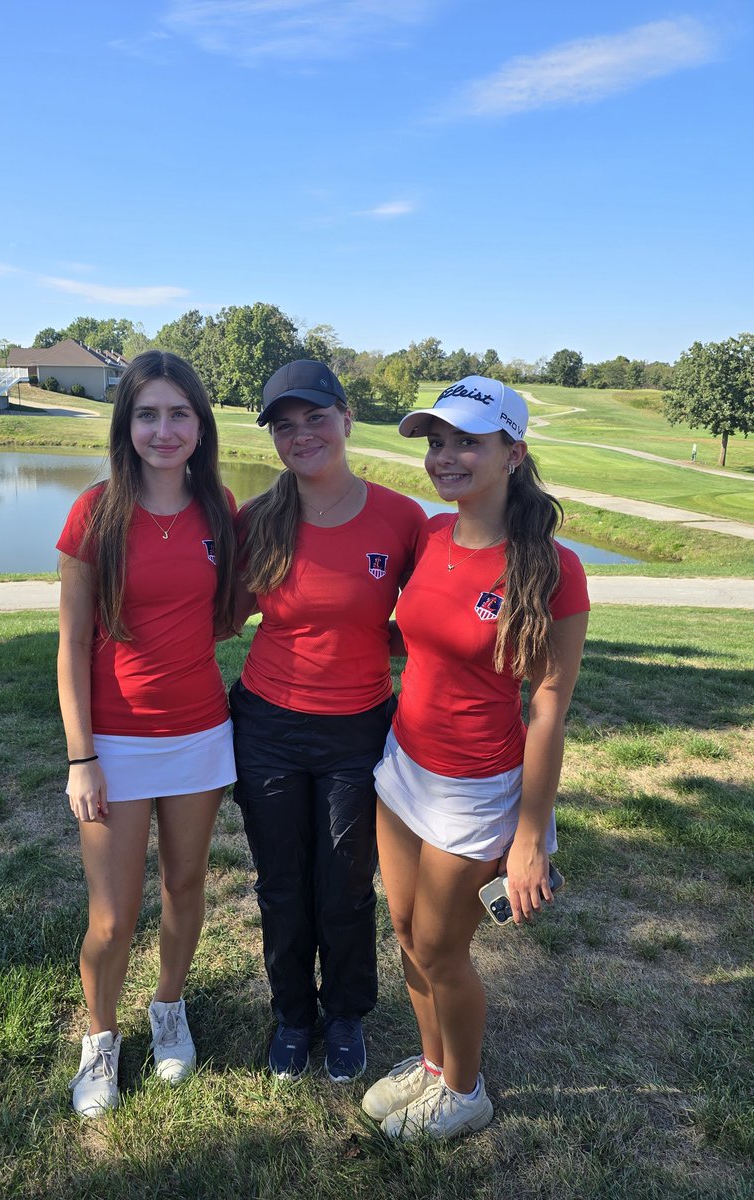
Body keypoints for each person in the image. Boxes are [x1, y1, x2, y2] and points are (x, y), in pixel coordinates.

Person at [362, 376, 589, 1141]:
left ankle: (465, 1093)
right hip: (403, 767)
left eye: (467, 442)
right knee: (403, 928)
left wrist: (529, 839)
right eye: (436, 442)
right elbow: (418, 634)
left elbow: (548, 709)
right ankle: (434, 1067)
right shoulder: (429, 535)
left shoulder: (553, 568)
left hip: (476, 786)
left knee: (440, 946)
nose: (445, 456)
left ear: (513, 454)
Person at [230, 360, 425, 1083]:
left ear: (346, 418)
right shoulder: (259, 519)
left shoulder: (401, 519)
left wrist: (387, 640)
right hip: (267, 727)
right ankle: (292, 1015)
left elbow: (431, 615)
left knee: (345, 881)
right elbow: (224, 615)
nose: (301, 434)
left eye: (315, 417)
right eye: (284, 425)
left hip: (357, 729)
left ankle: (344, 1014)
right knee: (281, 881)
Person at [56, 351, 237, 1117]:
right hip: (116, 744)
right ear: (126, 425)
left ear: (200, 424)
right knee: (112, 915)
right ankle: (100, 1038)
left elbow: (226, 614)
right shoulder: (94, 512)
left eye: (178, 414)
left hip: (200, 735)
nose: (164, 430)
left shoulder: (221, 509)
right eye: (147, 414)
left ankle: (168, 1009)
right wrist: (83, 758)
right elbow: (71, 644)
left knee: (185, 887)